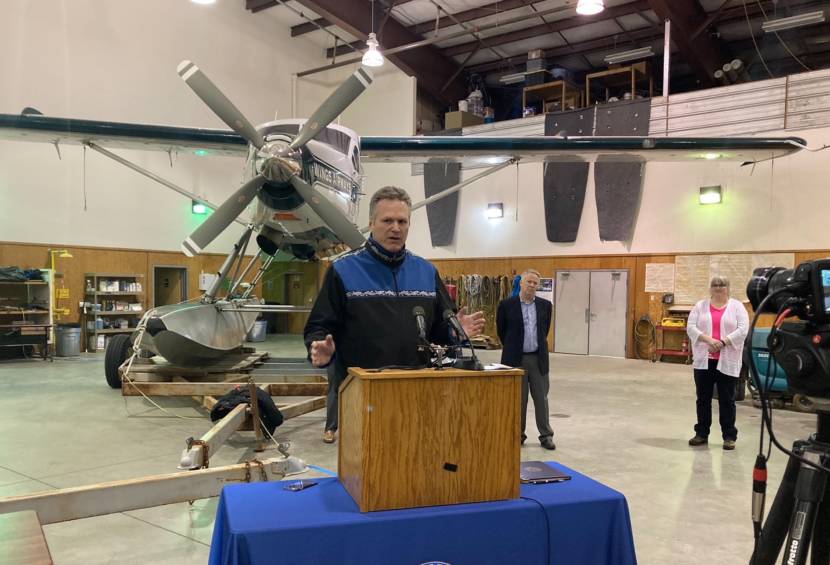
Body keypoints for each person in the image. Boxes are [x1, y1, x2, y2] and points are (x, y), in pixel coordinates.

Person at [304, 186, 485, 444]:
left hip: (417, 393)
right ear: (371, 224)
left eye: (402, 221)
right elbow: (319, 326)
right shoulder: (343, 271)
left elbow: (440, 330)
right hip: (363, 394)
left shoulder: (426, 271)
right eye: (387, 220)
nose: (396, 228)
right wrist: (320, 350)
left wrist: (456, 331)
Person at [686, 276, 749, 451]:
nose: (718, 287)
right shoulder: (700, 306)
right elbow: (691, 327)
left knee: (727, 400)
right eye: (715, 284)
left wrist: (722, 342)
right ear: (710, 288)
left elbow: (743, 329)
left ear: (728, 288)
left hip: (727, 360)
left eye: (722, 284)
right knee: (703, 399)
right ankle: (702, 434)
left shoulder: (737, 307)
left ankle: (729, 436)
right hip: (704, 361)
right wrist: (709, 340)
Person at [496, 269, 555, 450]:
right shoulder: (506, 305)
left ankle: (546, 435)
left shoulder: (545, 306)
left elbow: (544, 331)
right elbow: (501, 331)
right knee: (517, 400)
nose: (531, 285)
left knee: (541, 399)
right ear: (520, 283)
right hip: (515, 359)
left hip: (538, 359)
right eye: (528, 282)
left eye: (535, 283)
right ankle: (517, 434)